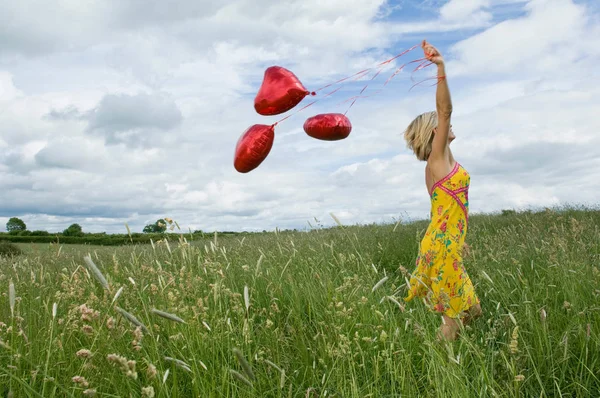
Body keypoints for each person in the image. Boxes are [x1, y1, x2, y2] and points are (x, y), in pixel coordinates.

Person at [402, 40, 482, 341]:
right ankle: (440, 366)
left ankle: (442, 352)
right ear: (435, 132)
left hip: (446, 245)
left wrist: (458, 242)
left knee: (472, 311)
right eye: (445, 123)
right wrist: (441, 67)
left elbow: (447, 212)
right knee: (453, 319)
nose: (450, 123)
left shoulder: (442, 163)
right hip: (442, 248)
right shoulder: (437, 160)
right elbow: (444, 109)